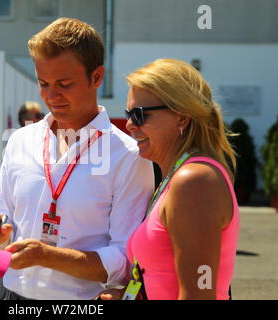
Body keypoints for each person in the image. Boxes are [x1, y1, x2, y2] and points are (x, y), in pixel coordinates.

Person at [0, 17, 154, 300]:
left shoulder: (129, 156)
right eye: (43, 83)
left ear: (96, 77)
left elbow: (125, 260)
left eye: (64, 84)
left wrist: (47, 256)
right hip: (13, 296)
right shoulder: (21, 140)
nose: (51, 95)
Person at [99, 58, 239, 300]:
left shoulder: (194, 181)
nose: (130, 124)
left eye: (139, 114)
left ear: (181, 118)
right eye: (128, 114)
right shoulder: (175, 178)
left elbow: (198, 295)